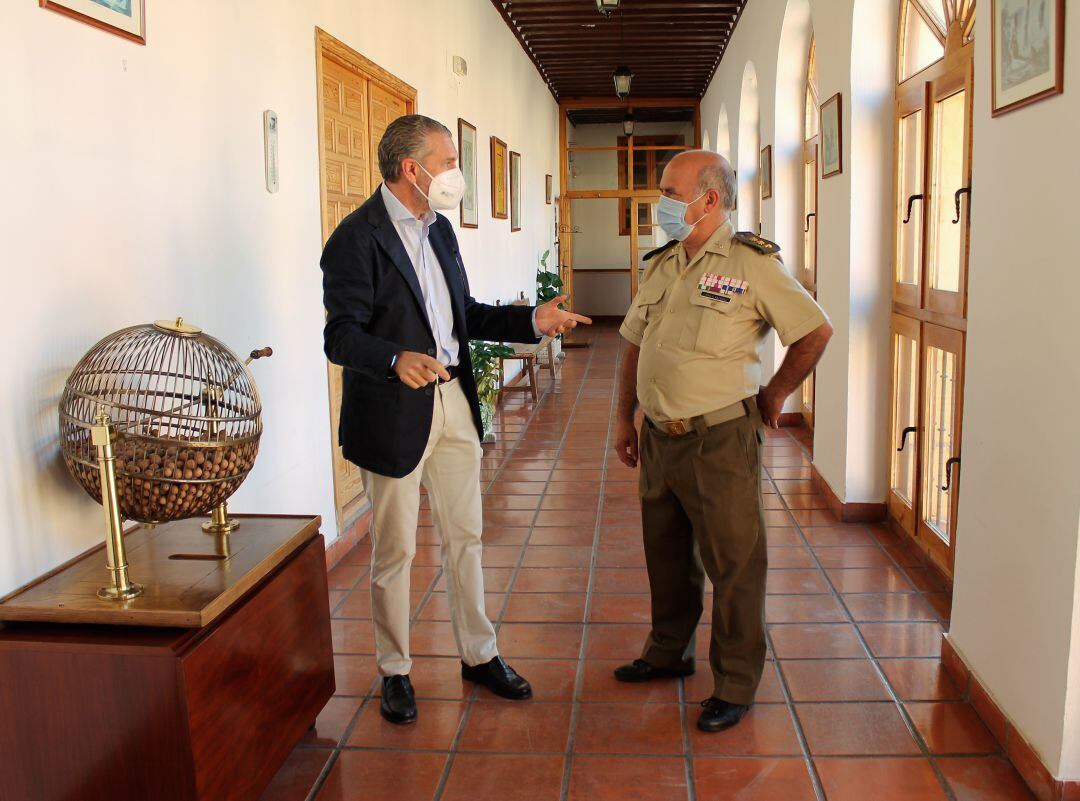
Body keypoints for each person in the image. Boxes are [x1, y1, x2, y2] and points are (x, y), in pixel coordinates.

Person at [321, 114, 590, 724]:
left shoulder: (440, 230)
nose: (455, 172)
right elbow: (340, 336)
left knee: (465, 535)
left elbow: (462, 314)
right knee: (394, 552)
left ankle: (478, 653)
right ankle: (395, 670)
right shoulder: (355, 239)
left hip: (453, 403)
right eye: (447, 160)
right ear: (411, 169)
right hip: (393, 411)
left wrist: (529, 323)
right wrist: (392, 358)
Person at [612, 150, 832, 733]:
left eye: (669, 190)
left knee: (734, 563)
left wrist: (777, 392)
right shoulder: (663, 264)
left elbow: (814, 331)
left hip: (718, 441)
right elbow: (633, 343)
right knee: (666, 556)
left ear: (709, 199)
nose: (659, 201)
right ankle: (667, 652)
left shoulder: (752, 264)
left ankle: (735, 682)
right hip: (659, 437)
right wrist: (621, 418)